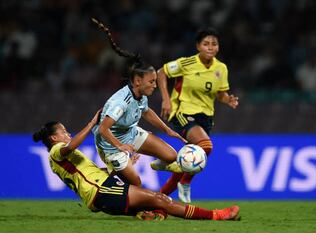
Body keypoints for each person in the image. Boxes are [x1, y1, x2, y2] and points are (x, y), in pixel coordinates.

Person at [32, 111, 240, 221]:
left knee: (156, 204)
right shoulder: (56, 151)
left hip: (100, 193)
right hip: (103, 191)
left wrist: (125, 164)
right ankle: (216, 216)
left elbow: (89, 174)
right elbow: (71, 145)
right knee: (161, 200)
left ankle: (147, 215)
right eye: (63, 131)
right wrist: (92, 123)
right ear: (53, 137)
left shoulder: (61, 159)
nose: (67, 134)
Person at [91, 18, 186, 187]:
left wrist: (167, 130)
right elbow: (103, 128)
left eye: (155, 81)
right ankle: (102, 173)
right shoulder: (121, 103)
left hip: (131, 133)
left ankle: (116, 171)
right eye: (152, 82)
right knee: (136, 183)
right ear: (137, 81)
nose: (155, 86)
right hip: (111, 144)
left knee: (172, 156)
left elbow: (146, 111)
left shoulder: (141, 95)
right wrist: (121, 146)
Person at [155, 28, 239, 203]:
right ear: (198, 46)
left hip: (206, 117)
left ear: (218, 47)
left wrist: (227, 99)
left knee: (193, 156)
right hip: (182, 112)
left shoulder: (221, 68)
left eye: (214, 44)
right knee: (206, 146)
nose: (210, 47)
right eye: (206, 44)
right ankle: (185, 181)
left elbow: (220, 93)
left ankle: (159, 196)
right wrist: (166, 99)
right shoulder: (187, 63)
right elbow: (160, 73)